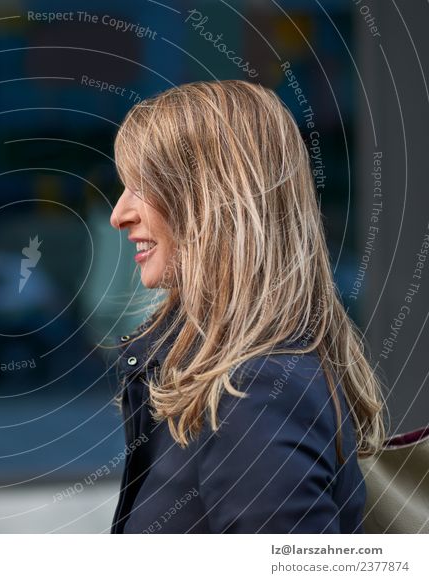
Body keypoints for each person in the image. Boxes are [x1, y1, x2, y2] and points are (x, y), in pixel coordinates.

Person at [107, 80, 387, 534]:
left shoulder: (254, 389)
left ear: (215, 199)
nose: (120, 214)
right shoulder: (231, 379)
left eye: (143, 185)